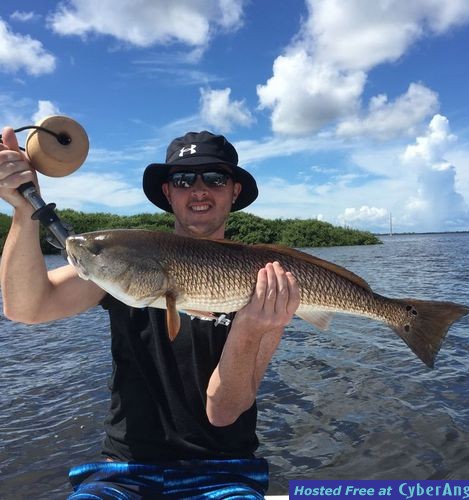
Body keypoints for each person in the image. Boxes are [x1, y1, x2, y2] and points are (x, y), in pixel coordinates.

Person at [0, 128, 301, 499]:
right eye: (184, 179)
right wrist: (22, 210)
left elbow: (224, 411)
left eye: (216, 178)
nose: (199, 189)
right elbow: (26, 307)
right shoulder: (125, 259)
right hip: (123, 471)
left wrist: (252, 328)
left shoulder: (269, 282)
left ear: (234, 191)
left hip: (225, 472)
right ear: (167, 192)